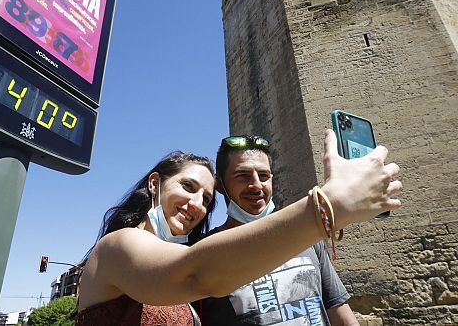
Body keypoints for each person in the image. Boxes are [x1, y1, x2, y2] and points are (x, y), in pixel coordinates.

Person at [77, 131, 402, 325]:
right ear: (154, 184)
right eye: (188, 187)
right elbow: (196, 274)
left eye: (205, 198)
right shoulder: (116, 247)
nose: (197, 205)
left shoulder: (187, 256)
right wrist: (326, 209)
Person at [195, 135, 360, 326]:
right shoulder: (203, 252)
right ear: (219, 185)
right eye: (243, 176)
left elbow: (339, 312)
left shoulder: (306, 237)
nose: (257, 185)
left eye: (264, 176)